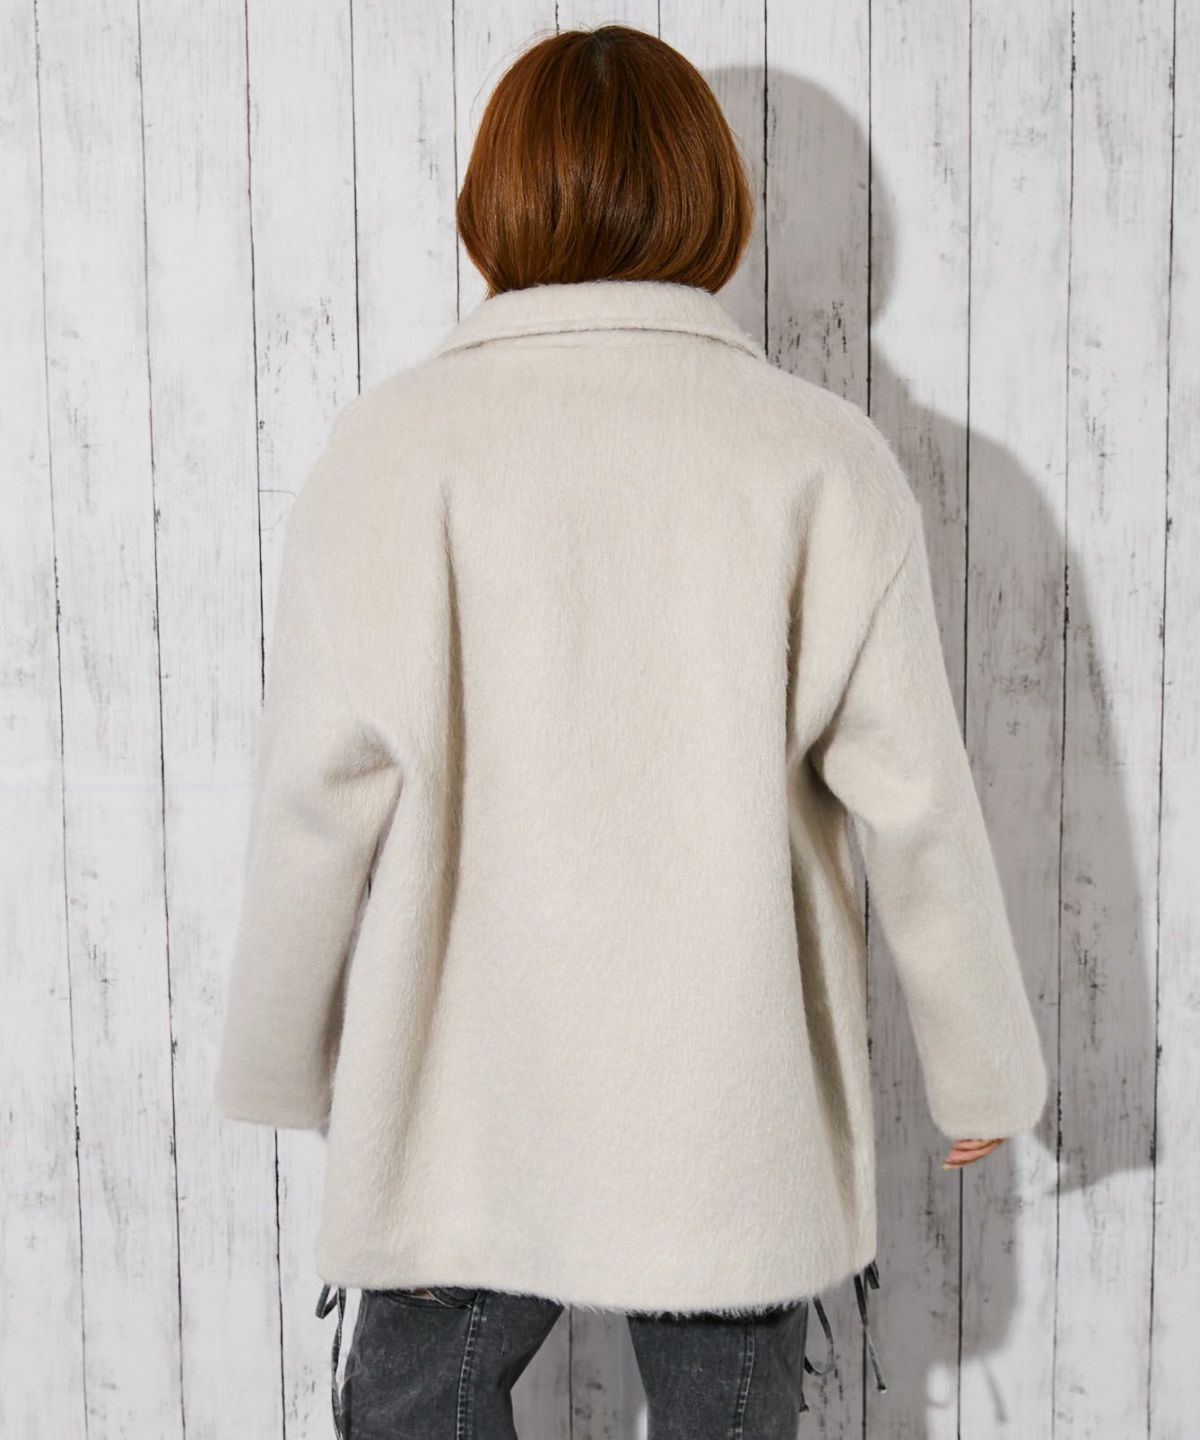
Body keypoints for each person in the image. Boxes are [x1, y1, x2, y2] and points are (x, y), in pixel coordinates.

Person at [213, 23, 1047, 1439]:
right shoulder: (815, 455)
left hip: (466, 1096)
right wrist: (980, 1065)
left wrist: (279, 1053)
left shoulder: (391, 450)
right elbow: (914, 801)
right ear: (711, 196)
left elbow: (317, 796)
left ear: (495, 197)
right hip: (730, 1103)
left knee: (414, 1412)